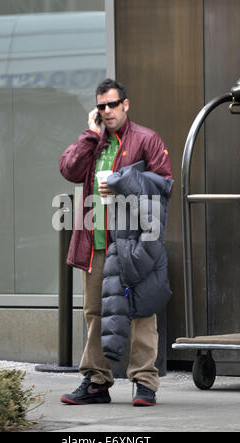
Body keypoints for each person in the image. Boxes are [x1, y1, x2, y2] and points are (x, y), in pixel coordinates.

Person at [59, 79, 173, 406]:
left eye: (112, 104)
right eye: (101, 107)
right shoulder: (95, 141)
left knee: (140, 312)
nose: (107, 111)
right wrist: (90, 136)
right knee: (96, 312)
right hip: (95, 242)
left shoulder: (146, 139)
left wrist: (123, 182)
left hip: (133, 244)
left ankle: (145, 382)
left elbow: (163, 184)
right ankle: (96, 382)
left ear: (126, 104)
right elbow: (68, 168)